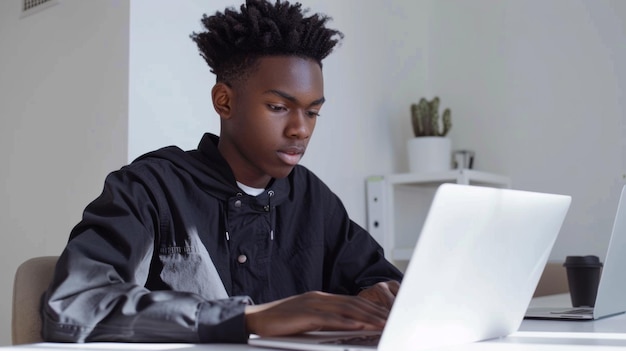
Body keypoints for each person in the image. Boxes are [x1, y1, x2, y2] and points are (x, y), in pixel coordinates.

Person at [42, 0, 403, 344]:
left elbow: (377, 279)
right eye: (279, 107)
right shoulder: (150, 188)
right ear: (224, 101)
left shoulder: (312, 198)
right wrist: (247, 318)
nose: (301, 129)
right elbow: (74, 305)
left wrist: (381, 296)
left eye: (313, 112)